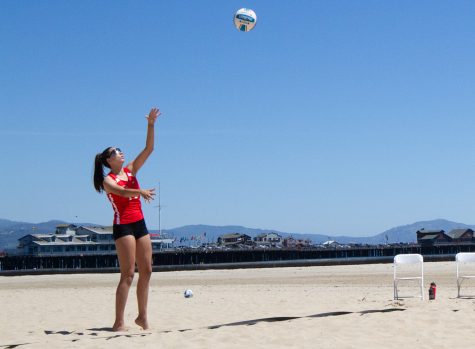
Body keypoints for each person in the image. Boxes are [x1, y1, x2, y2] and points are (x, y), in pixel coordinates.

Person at [93, 107, 161, 331]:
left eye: (121, 150)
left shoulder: (131, 170)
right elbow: (121, 193)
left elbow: (149, 149)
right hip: (123, 226)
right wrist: (140, 192)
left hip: (139, 223)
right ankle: (119, 322)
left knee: (147, 270)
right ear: (108, 160)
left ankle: (142, 317)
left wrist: (150, 124)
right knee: (128, 274)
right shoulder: (107, 180)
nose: (120, 153)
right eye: (116, 152)